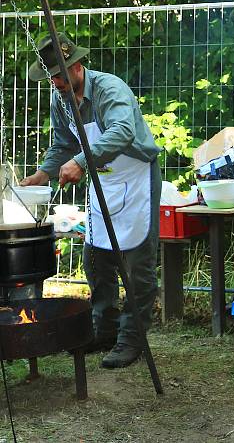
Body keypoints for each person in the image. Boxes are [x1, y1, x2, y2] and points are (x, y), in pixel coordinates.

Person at [21, 32, 161, 369]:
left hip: (135, 177)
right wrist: (45, 172)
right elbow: (63, 143)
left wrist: (81, 162)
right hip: (103, 182)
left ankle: (132, 338)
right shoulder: (61, 97)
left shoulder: (109, 89)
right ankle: (105, 330)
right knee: (96, 259)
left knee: (137, 267)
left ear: (77, 65)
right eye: (51, 76)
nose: (55, 82)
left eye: (59, 74)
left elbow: (121, 132)